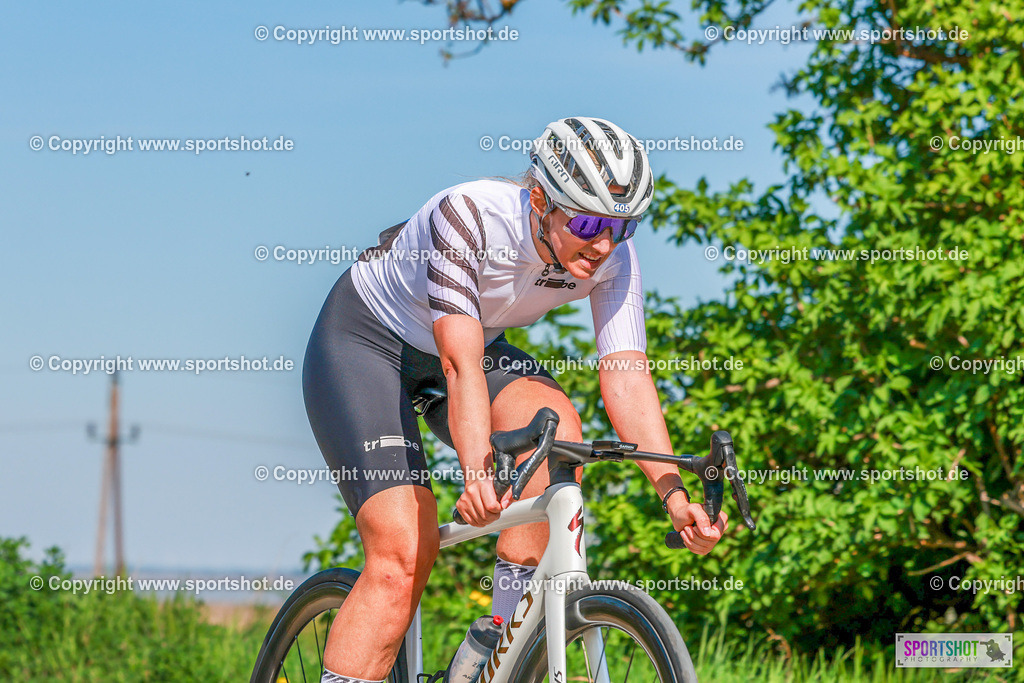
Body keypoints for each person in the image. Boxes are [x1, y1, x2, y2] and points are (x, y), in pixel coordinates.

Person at [301, 116, 730, 683]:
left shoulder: (613, 256)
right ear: (539, 199)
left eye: (623, 227)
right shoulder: (469, 215)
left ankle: (499, 653)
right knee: (403, 553)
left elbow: (626, 375)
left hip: (472, 350)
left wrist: (674, 497)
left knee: (560, 441)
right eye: (588, 220)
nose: (604, 243)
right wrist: (477, 470)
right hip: (366, 344)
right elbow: (460, 363)